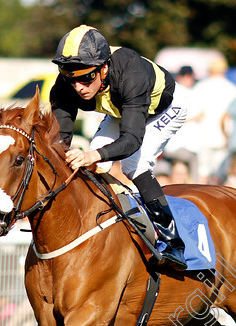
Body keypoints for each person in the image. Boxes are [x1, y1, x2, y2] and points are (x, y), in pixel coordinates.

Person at [49, 25, 188, 270]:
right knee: (96, 163)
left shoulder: (131, 74)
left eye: (86, 77)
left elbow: (132, 140)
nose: (78, 86)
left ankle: (173, 242)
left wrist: (92, 153)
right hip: (123, 108)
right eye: (71, 77)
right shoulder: (66, 83)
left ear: (103, 68)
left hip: (165, 107)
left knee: (134, 163)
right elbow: (59, 140)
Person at [189, 57, 236, 183]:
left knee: (202, 173)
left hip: (203, 136)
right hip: (224, 137)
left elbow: (194, 113)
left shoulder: (200, 87)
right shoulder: (233, 89)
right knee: (219, 174)